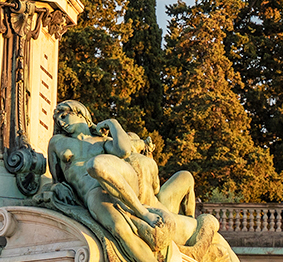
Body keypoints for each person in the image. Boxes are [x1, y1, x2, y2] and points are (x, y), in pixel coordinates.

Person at [48, 101, 236, 262]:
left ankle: (143, 213)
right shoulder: (57, 142)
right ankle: (145, 223)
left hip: (117, 185)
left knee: (97, 164)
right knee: (121, 231)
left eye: (64, 116)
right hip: (93, 193)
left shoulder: (102, 140)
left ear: (80, 113)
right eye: (58, 120)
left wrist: (112, 123)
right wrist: (58, 187)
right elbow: (56, 178)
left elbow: (123, 151)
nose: (61, 122)